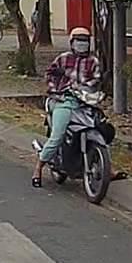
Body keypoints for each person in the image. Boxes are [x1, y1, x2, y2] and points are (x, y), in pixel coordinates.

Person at [32, 27, 101, 187]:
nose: (81, 44)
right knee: (58, 135)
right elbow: (49, 74)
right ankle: (38, 167)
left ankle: (105, 167)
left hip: (85, 102)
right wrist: (56, 88)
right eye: (78, 41)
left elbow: (96, 80)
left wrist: (85, 87)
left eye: (84, 41)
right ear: (72, 42)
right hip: (63, 101)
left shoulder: (93, 61)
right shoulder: (63, 58)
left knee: (101, 128)